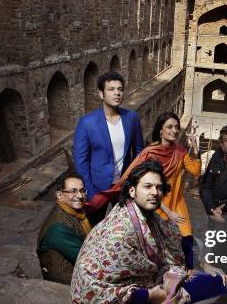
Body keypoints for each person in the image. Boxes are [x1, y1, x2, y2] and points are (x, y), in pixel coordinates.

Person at [71, 160, 227, 304]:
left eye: (159, 187)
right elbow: (88, 290)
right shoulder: (119, 233)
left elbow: (175, 239)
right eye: (147, 186)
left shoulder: (144, 214)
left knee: (196, 245)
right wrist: (148, 295)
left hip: (148, 279)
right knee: (218, 284)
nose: (155, 192)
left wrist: (201, 264)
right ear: (132, 191)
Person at [86, 112, 201, 266]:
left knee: (187, 239)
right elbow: (141, 185)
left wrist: (195, 149)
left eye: (176, 127)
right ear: (161, 130)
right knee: (158, 246)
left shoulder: (180, 150)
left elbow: (196, 171)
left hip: (177, 204)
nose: (174, 130)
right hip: (155, 204)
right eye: (169, 127)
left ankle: (188, 275)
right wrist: (167, 211)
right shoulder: (150, 153)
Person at [73, 71, 143, 223]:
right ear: (101, 94)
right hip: (98, 189)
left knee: (126, 226)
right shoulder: (87, 123)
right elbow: (80, 162)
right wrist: (90, 193)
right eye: (111, 89)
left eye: (120, 89)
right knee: (93, 228)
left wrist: (133, 183)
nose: (117, 93)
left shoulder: (131, 118)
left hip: (123, 186)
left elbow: (138, 153)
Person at [37, 171, 91, 285]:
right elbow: (86, 258)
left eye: (82, 191)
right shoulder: (59, 228)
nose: (80, 196)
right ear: (60, 196)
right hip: (68, 279)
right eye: (73, 191)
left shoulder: (75, 212)